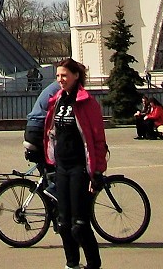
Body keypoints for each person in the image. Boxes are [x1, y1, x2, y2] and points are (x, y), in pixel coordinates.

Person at [43, 58, 108, 269]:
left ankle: (93, 264)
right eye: (58, 76)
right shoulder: (58, 100)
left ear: (76, 76)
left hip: (79, 169)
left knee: (79, 225)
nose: (60, 80)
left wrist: (97, 171)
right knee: (63, 224)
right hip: (61, 167)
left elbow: (98, 139)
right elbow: (51, 132)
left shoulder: (87, 102)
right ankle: (72, 264)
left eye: (64, 76)